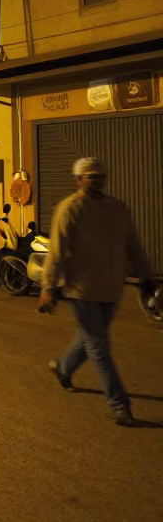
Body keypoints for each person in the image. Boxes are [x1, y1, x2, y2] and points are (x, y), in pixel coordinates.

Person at [41, 157, 152, 426]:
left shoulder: (117, 208)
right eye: (90, 176)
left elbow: (132, 243)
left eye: (100, 176)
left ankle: (63, 368)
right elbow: (58, 250)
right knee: (99, 346)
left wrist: (146, 274)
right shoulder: (70, 208)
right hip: (81, 289)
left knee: (91, 338)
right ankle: (120, 405)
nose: (96, 180)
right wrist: (49, 286)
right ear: (79, 180)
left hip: (112, 287)